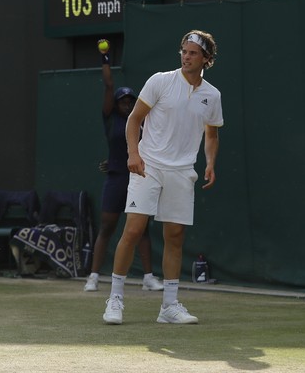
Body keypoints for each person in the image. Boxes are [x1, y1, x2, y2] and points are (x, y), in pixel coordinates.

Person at [103, 30, 223, 325]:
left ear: (206, 59)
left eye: (193, 53)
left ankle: (169, 306)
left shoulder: (212, 95)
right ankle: (115, 299)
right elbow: (134, 120)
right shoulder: (160, 81)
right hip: (150, 165)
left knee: (175, 236)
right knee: (133, 229)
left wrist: (210, 163)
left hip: (183, 171)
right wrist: (133, 153)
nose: (186, 56)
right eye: (184, 51)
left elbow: (212, 133)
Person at [84, 39, 163, 293]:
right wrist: (105, 58)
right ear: (116, 104)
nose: (127, 103)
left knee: (141, 229)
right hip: (117, 178)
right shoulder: (111, 118)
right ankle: (94, 277)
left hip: (138, 178)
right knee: (107, 226)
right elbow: (109, 85)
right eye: (123, 100)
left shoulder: (142, 121)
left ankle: (149, 277)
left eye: (131, 100)